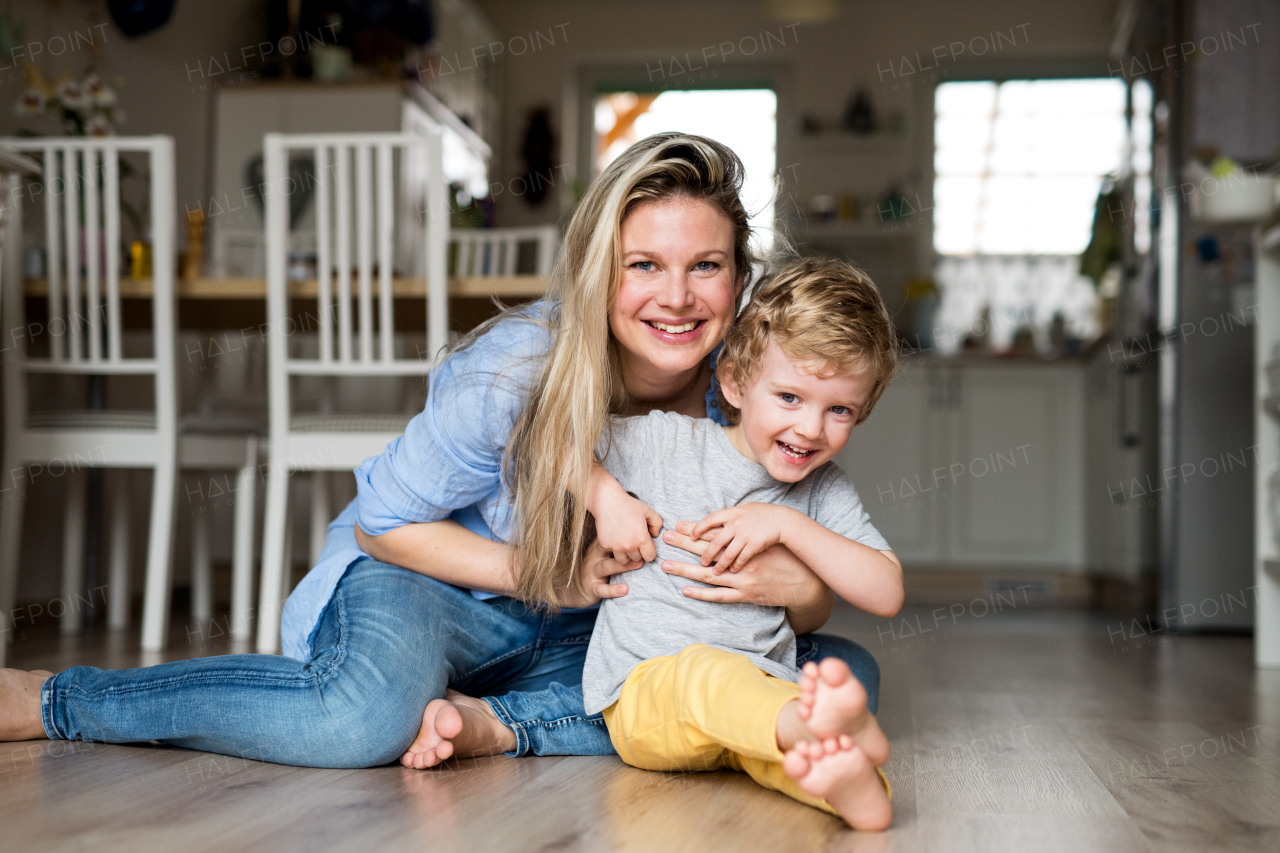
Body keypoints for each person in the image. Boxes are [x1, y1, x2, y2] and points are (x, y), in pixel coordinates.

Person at [0, 135, 881, 771]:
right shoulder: (515, 372)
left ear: (742, 279)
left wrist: (788, 581)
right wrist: (548, 576)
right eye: (643, 264)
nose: (678, 298)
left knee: (839, 678)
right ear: (593, 270)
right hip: (430, 582)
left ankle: (484, 724)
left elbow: (800, 581)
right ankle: (58, 700)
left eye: (708, 267)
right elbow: (386, 525)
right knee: (361, 721)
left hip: (594, 626)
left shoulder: (755, 382)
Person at [578, 258, 901, 828]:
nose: (810, 429)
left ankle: (857, 790)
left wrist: (786, 526)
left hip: (763, 694)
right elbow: (541, 440)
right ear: (735, 381)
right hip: (647, 694)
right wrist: (604, 496)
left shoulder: (823, 491)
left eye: (839, 410)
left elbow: (886, 591)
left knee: (800, 757)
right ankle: (811, 724)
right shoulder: (664, 442)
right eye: (789, 398)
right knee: (709, 675)